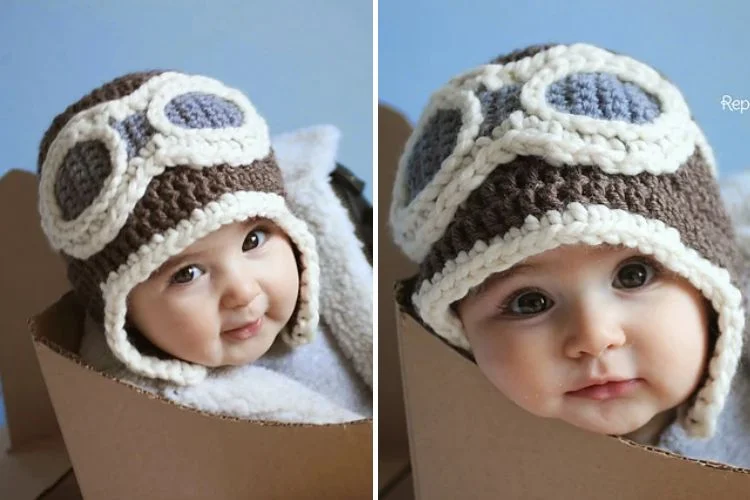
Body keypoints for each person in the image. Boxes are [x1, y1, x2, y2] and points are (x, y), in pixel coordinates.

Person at [390, 42, 750, 466]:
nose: (594, 337)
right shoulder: (464, 448)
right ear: (459, 330)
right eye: (530, 302)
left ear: (710, 284)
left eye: (633, 275)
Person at [38, 70, 372, 423]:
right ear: (124, 317)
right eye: (188, 274)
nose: (242, 292)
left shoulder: (340, 289)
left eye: (253, 240)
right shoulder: (149, 418)